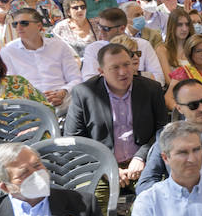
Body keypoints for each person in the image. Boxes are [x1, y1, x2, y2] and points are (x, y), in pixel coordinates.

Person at [64, 44, 170, 190]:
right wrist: (104, 166)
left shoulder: (151, 89)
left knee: (149, 204)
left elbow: (163, 130)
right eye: (115, 68)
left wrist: (141, 156)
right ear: (101, 71)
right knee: (95, 207)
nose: (123, 72)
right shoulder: (84, 94)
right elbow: (74, 140)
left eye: (127, 64)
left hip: (143, 164)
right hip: (99, 166)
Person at [0, 8, 80, 113]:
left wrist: (63, 92)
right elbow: (11, 88)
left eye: (24, 23)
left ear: (39, 26)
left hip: (65, 103)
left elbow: (76, 79)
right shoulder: (8, 51)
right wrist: (39, 100)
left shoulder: (59, 46)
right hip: (30, 108)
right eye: (15, 24)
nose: (19, 27)